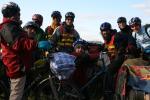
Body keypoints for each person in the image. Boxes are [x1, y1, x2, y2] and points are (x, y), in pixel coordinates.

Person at [0, 2, 37, 100]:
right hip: (16, 66)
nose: (19, 15)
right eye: (18, 13)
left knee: (19, 92)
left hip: (20, 63)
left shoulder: (13, 26)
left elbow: (21, 38)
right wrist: (36, 44)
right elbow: (18, 44)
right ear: (11, 13)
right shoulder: (7, 27)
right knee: (16, 95)